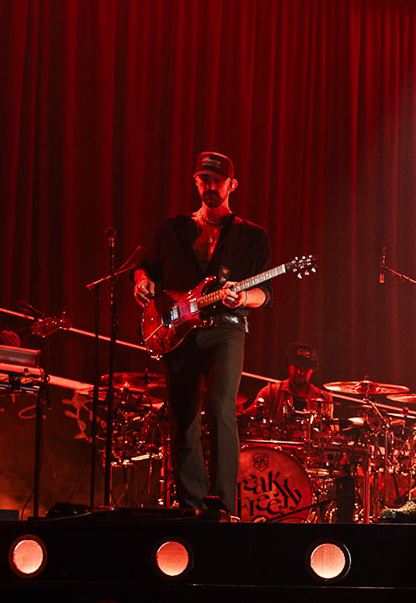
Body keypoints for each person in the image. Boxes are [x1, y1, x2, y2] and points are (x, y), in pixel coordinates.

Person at [133, 150, 271, 515]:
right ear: (196, 183)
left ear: (232, 185)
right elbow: (145, 268)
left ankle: (222, 505)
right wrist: (143, 282)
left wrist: (243, 296)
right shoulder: (172, 229)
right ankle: (192, 506)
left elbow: (265, 294)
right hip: (177, 332)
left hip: (225, 330)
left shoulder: (251, 237)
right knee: (182, 417)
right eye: (203, 180)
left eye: (217, 180)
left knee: (220, 408)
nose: (210, 186)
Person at [248, 341, 335, 436]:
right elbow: (249, 417)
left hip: (310, 449)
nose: (300, 372)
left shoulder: (324, 398)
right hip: (277, 448)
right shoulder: (270, 392)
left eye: (305, 368)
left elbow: (329, 432)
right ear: (288, 366)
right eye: (297, 366)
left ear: (313, 369)